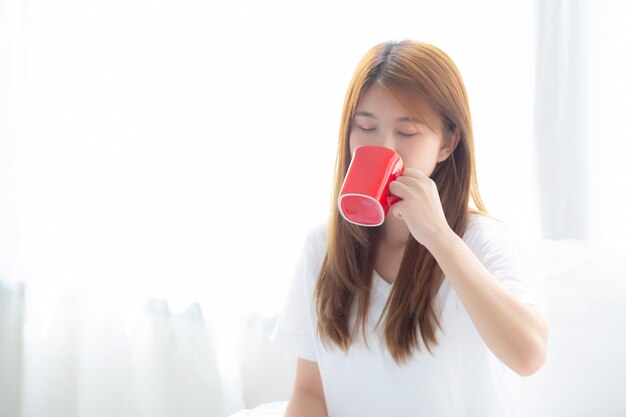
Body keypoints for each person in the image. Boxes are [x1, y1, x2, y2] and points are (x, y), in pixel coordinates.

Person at [270, 40, 548, 417]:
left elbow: (528, 355)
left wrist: (438, 236)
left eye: (407, 132)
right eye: (365, 127)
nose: (383, 147)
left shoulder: (478, 239)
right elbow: (310, 393)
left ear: (447, 144)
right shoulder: (323, 245)